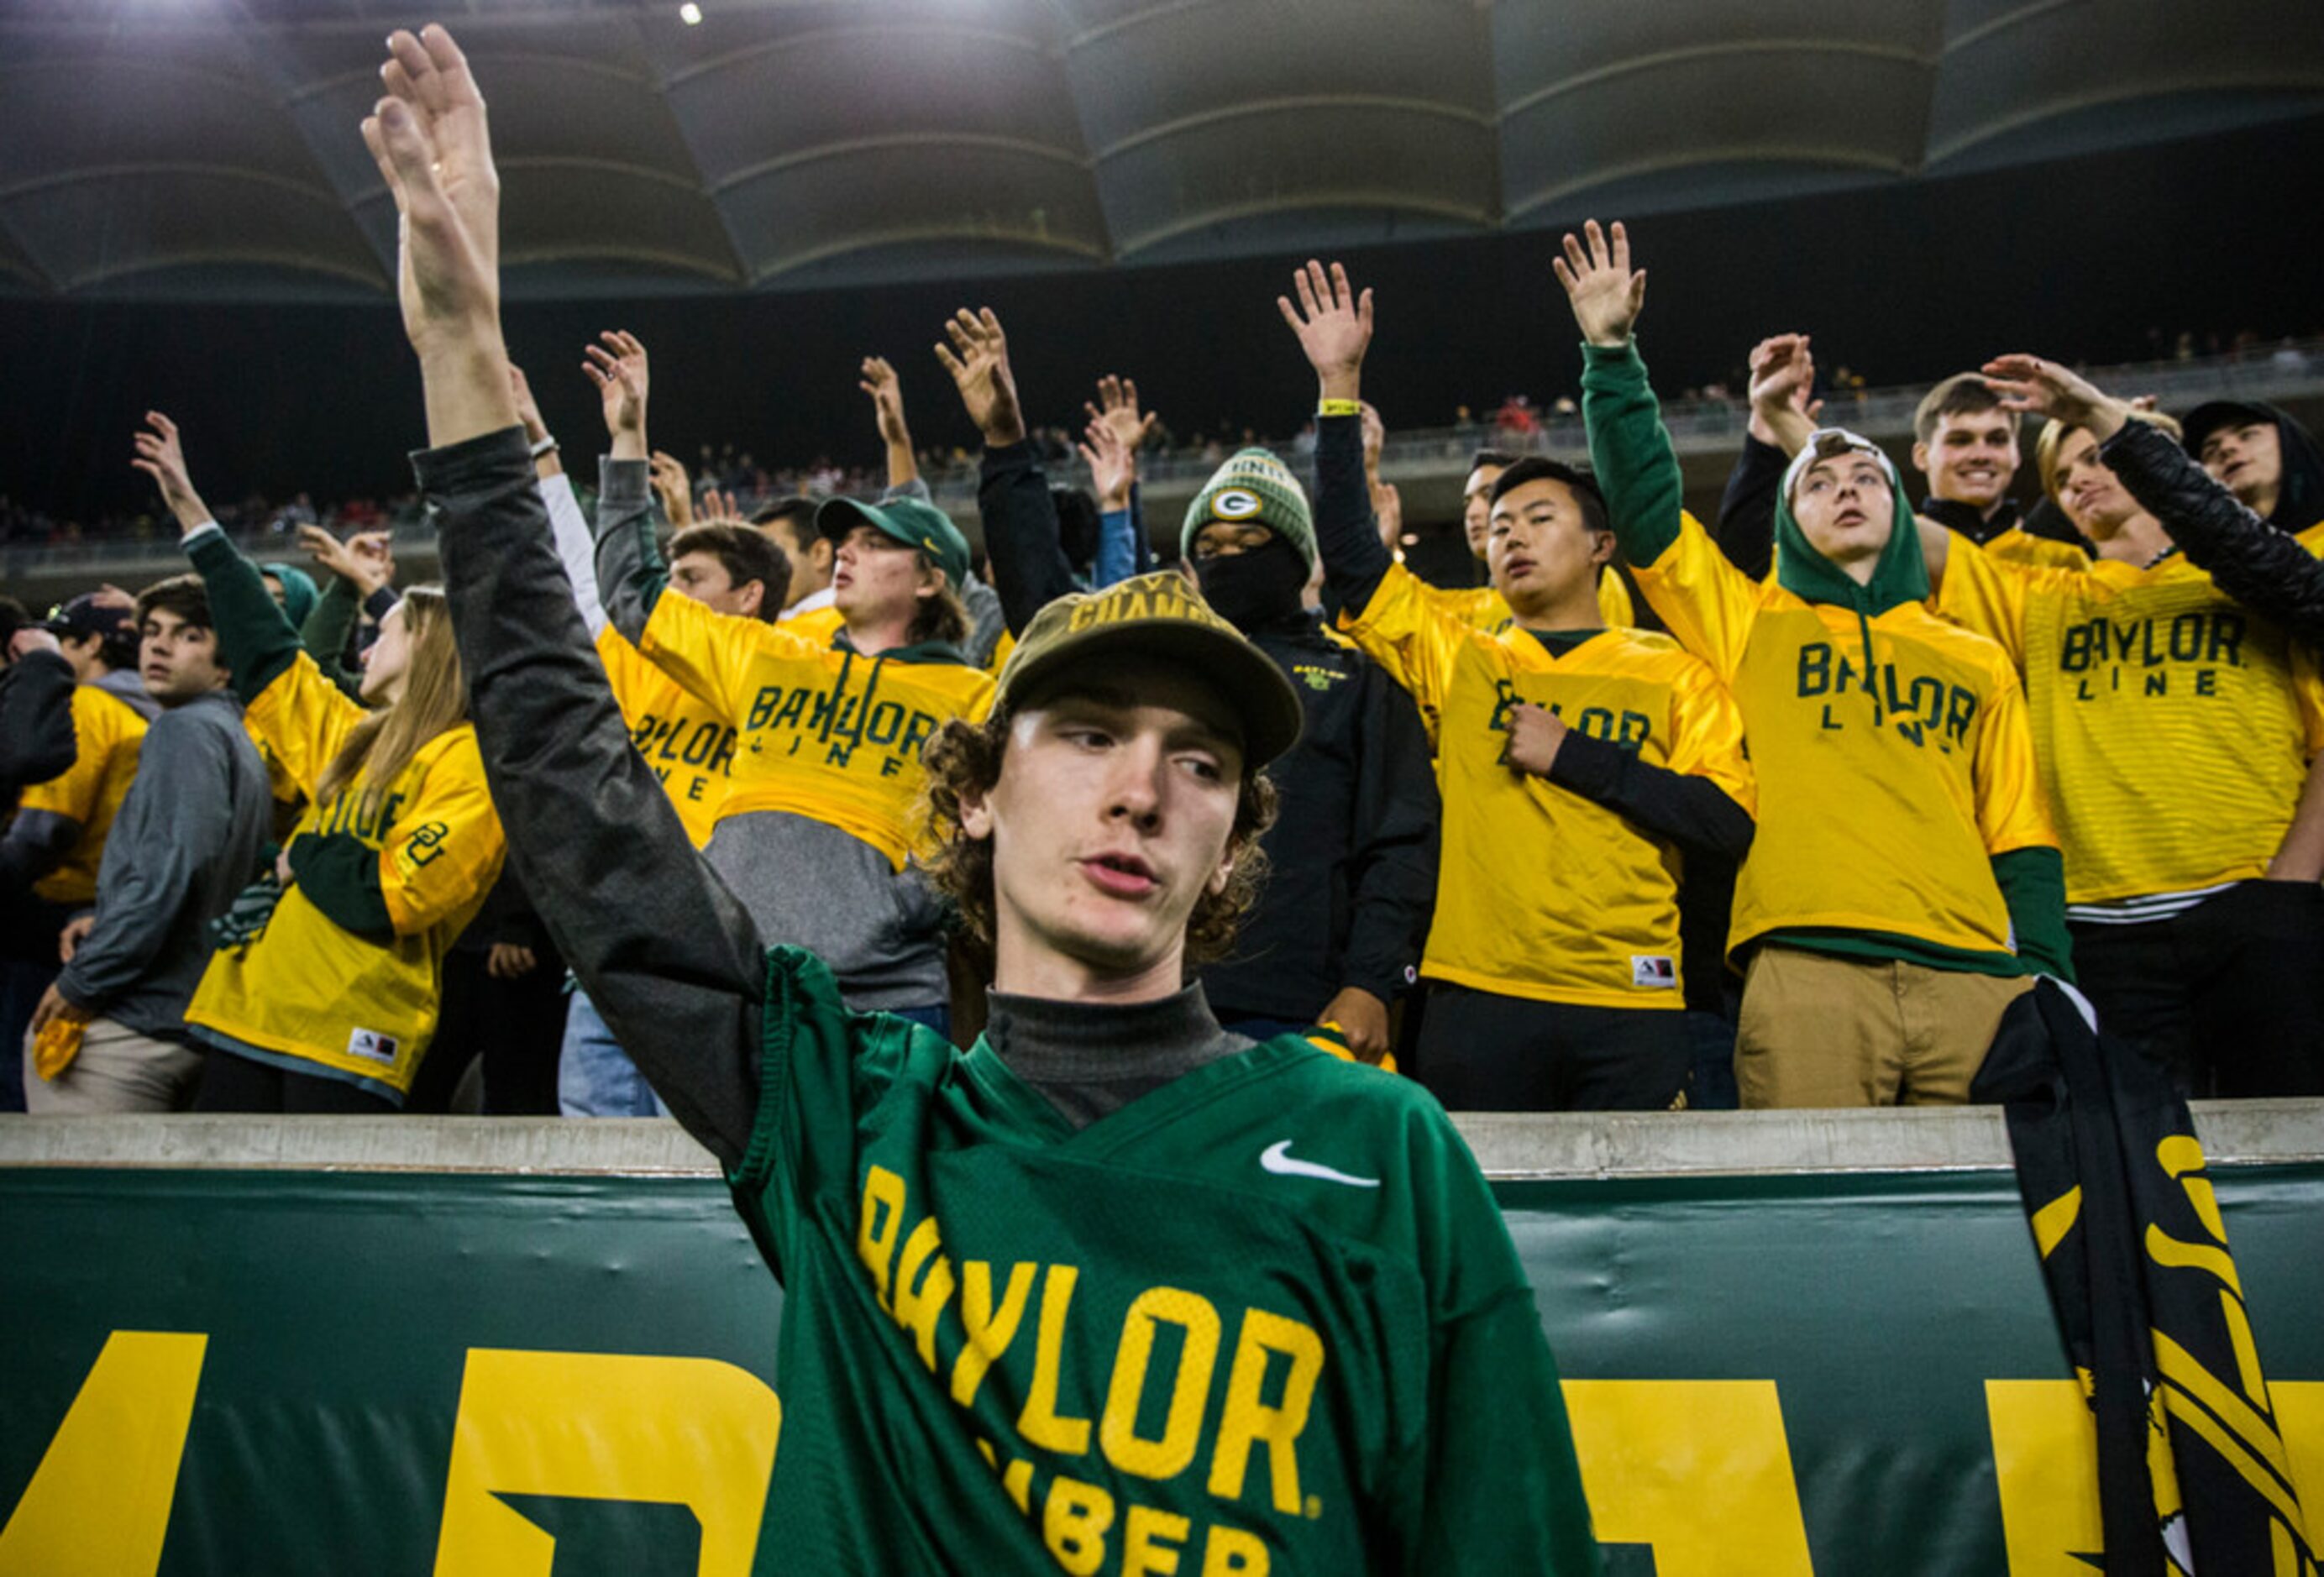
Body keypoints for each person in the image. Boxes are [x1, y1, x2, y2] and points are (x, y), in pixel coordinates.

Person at [370, 25, 1598, 1569]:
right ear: (971, 797)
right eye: (1086, 733)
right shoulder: (849, 1110)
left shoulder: (1385, 1155)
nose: (1144, 785)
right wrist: (467, 351)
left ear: (1233, 838)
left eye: (1202, 760)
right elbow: (573, 796)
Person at [1559, 220, 2070, 1108]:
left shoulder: (1975, 655)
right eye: (1819, 485)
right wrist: (1611, 355)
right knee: (1812, 1232)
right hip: (1804, 962)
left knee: (1992, 1235)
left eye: (1867, 479)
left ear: (1902, 510)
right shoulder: (1752, 620)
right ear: (1790, 524)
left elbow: (2020, 832)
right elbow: (1645, 517)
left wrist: (2047, 978)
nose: (1844, 490)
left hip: (1978, 976)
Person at [1284, 259, 1756, 1110]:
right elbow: (1354, 569)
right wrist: (1338, 387)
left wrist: (1574, 754)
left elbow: (1725, 821)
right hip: (1475, 994)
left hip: (1631, 998)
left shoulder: (1673, 670)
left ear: (1601, 547)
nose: (1514, 538)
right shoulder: (1462, 653)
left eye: (1541, 520)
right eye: (1500, 526)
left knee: (1638, 1237)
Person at [951, 306, 1440, 1063]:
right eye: (1207, 545)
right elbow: (1045, 602)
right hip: (1138, 987)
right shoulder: (1163, 659)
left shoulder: (1357, 675)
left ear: (1296, 556)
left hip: (1303, 1008)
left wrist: (1375, 982)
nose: (1228, 558)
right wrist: (1006, 448)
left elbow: (1398, 845)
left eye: (1253, 543)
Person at [589, 330, 990, 1032]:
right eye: (844, 543)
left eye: (875, 545)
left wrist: (901, 910)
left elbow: (995, 840)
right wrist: (627, 441)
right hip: (741, 982)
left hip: (883, 996)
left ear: (930, 580)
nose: (846, 555)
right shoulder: (767, 654)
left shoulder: (974, 700)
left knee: (876, 1150)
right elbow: (631, 590)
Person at [134, 411, 506, 1112]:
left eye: (385, 634)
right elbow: (270, 652)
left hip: (348, 1031)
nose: (366, 650)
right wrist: (194, 515)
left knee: (321, 1222)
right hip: (249, 1010)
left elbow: (397, 894)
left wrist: (302, 857)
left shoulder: (472, 764)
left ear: (430, 653)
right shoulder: (353, 736)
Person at [23, 574, 271, 1112]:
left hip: (138, 1022)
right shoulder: (232, 732)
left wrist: (82, 983)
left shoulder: (183, 730)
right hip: (189, 1012)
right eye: (152, 631)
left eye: (189, 635)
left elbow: (175, 871)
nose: (159, 645)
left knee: (80, 1197)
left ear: (226, 663)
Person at [0, 589, 157, 1106]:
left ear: (90, 645)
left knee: (19, 1079)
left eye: (65, 640)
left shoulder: (90, 704)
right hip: (113, 912)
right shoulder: (154, 710)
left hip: (56, 921)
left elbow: (46, 829)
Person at [2180, 399, 2324, 534]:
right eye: (2210, 452)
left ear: (2290, 445)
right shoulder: (2193, 558)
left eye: (2247, 435)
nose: (2225, 448)